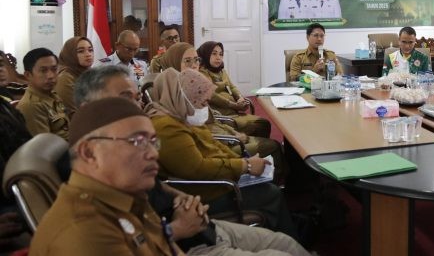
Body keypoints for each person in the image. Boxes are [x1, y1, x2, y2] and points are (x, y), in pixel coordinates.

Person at [72, 66, 309, 256]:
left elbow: (157, 188)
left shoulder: (127, 149)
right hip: (190, 242)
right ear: (87, 109)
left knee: (285, 244)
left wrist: (181, 198)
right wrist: (174, 230)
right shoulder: (84, 194)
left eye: (136, 98)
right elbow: (124, 243)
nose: (137, 106)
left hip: (199, 226)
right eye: (124, 98)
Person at [146, 69, 296, 238]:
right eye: (203, 103)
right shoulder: (166, 127)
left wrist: (242, 160)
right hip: (203, 193)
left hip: (218, 179)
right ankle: (290, 241)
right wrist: (245, 166)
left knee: (267, 187)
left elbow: (213, 144)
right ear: (185, 99)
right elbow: (196, 168)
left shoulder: (181, 115)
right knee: (272, 193)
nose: (205, 108)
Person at [29, 97, 181, 255]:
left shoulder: (126, 198)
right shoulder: (84, 231)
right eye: (137, 141)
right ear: (89, 153)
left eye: (153, 141)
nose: (154, 153)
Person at [196, 41, 286, 180]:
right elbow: (213, 96)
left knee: (264, 123)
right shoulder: (202, 74)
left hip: (233, 112)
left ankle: (260, 161)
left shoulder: (221, 70)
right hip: (225, 117)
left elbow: (232, 87)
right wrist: (232, 104)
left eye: (221, 54)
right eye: (214, 54)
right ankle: (261, 164)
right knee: (263, 127)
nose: (218, 57)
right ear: (205, 55)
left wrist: (240, 98)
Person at [16, 48, 69, 139]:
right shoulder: (32, 105)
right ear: (28, 75)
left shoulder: (52, 95)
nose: (51, 76)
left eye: (54, 69)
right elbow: (44, 145)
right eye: (43, 71)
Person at [54, 36, 94, 115]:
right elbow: (72, 113)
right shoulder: (65, 78)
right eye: (81, 51)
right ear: (70, 55)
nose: (88, 54)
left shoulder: (89, 74)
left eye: (90, 50)